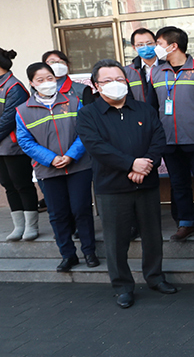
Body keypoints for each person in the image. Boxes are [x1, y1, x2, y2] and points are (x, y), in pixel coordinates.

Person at [76, 60, 177, 309]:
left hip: (147, 183)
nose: (115, 84)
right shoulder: (88, 114)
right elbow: (97, 147)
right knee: (116, 240)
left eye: (120, 79)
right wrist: (131, 164)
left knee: (152, 235)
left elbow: (158, 139)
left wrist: (146, 165)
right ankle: (122, 286)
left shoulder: (144, 109)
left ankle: (155, 277)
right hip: (112, 187)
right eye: (108, 80)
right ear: (96, 85)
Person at [16, 62, 98, 272]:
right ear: (32, 83)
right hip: (48, 170)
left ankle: (89, 251)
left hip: (78, 166)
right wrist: (51, 159)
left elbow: (85, 131)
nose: (46, 83)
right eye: (40, 80)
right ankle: (68, 255)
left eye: (50, 78)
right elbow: (25, 141)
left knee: (81, 209)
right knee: (57, 213)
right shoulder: (23, 110)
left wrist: (71, 155)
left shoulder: (74, 102)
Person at [148, 25, 194, 241]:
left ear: (173, 46)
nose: (155, 48)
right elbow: (151, 108)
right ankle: (186, 223)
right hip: (168, 139)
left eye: (159, 44)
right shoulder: (156, 73)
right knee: (178, 184)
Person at [0, 47, 39, 241]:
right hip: (1, 148)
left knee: (22, 184)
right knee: (8, 185)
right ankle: (19, 226)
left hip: (13, 146)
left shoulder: (14, 86)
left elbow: (8, 120)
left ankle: (31, 226)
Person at [127, 28, 157, 101]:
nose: (146, 47)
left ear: (156, 43)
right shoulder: (128, 72)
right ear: (134, 47)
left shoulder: (167, 67)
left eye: (149, 43)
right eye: (140, 45)